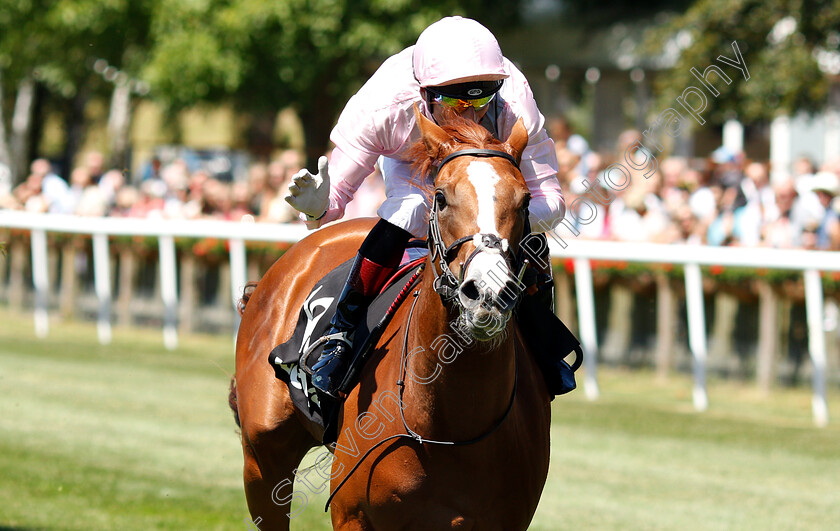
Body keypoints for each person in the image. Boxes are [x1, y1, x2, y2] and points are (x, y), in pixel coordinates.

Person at [284, 16, 566, 398]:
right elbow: (334, 201)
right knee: (412, 208)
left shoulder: (514, 103)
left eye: (480, 98)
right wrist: (317, 209)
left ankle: (543, 342)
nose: (468, 112)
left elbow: (551, 200)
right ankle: (340, 335)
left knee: (517, 216)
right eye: (454, 99)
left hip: (487, 169)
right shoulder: (381, 108)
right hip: (411, 160)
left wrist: (496, 217)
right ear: (425, 93)